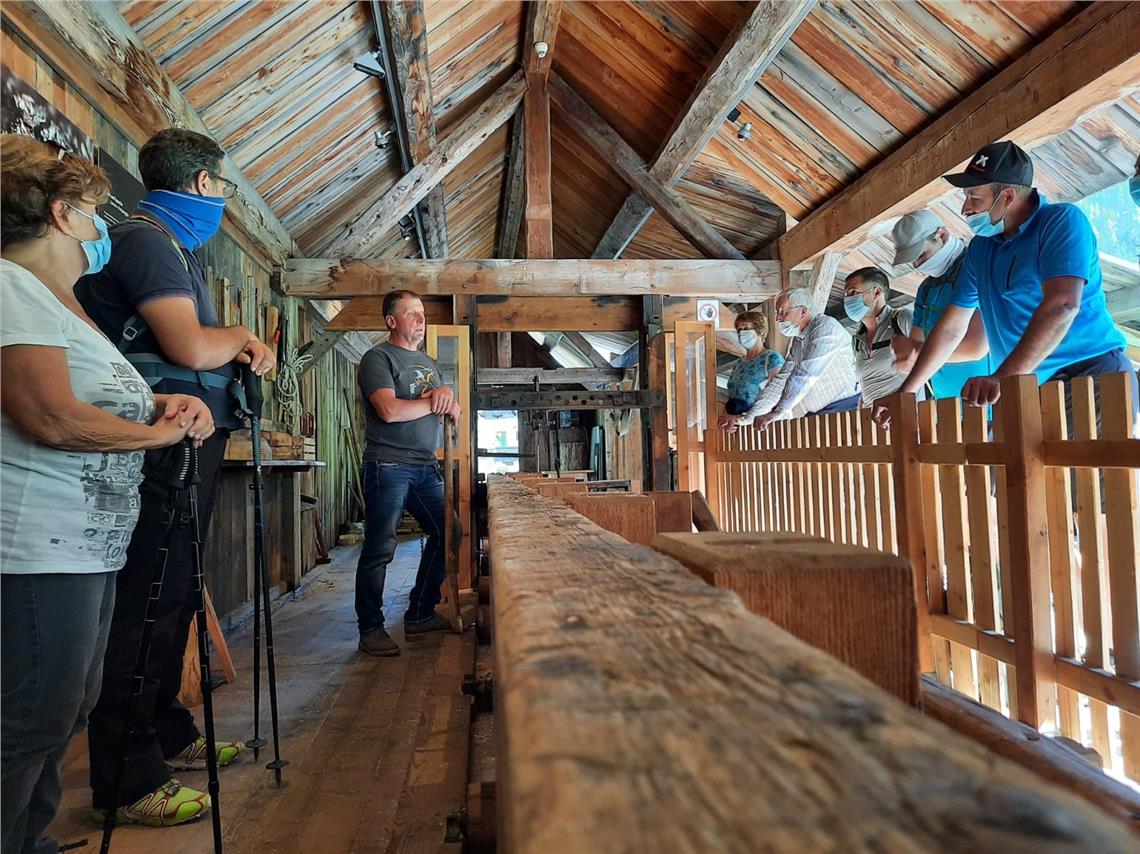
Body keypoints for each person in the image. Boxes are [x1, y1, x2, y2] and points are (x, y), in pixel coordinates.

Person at [0, 134, 214, 854]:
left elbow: (96, 396)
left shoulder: (56, 303)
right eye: (93, 215)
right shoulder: (10, 286)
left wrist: (160, 404)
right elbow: (50, 415)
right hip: (34, 543)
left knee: (61, 712)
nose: (101, 233)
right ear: (60, 215)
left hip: (84, 545)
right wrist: (157, 436)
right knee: (29, 718)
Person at [76, 128, 276, 828]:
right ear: (202, 183)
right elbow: (189, 346)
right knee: (149, 598)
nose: (221, 198)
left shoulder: (168, 246)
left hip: (185, 439)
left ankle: (166, 731)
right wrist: (243, 338)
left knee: (176, 592)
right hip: (164, 441)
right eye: (221, 185)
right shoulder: (148, 241)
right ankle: (126, 777)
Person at [872, 140, 1137, 427]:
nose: (965, 208)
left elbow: (1062, 304)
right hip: (1029, 386)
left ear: (1007, 196)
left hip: (1089, 376)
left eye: (974, 198)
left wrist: (1002, 377)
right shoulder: (980, 249)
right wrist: (906, 392)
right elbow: (951, 329)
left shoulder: (1060, 222)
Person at [355, 290, 461, 657]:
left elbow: (443, 407)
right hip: (388, 464)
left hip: (424, 465)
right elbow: (389, 411)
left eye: (422, 313)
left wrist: (450, 403)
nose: (421, 319)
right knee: (380, 547)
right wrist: (434, 400)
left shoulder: (430, 363)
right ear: (391, 321)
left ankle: (419, 613)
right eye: (411, 313)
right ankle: (370, 628)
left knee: (449, 531)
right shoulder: (377, 358)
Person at [723, 287, 860, 433]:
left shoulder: (825, 328)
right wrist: (747, 418)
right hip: (821, 416)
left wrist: (778, 411)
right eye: (777, 313)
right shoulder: (798, 341)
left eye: (783, 312)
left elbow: (805, 375)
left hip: (846, 411)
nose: (778, 318)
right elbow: (781, 381)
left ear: (803, 311)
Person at [887, 210, 992, 399]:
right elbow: (916, 344)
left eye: (921, 255)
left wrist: (916, 353)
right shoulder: (926, 289)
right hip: (946, 402)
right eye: (912, 261)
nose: (917, 265)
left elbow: (975, 347)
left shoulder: (975, 268)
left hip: (986, 400)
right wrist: (911, 354)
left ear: (942, 235)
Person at [842, 267, 916, 407]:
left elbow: (931, 357)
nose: (847, 300)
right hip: (873, 418)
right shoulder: (858, 340)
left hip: (907, 413)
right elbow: (865, 385)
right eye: (846, 295)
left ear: (876, 292)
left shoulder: (901, 320)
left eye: (853, 292)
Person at [719, 310, 785, 421]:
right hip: (738, 421)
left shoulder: (772, 358)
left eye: (746, 328)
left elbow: (777, 393)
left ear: (760, 331)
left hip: (761, 421)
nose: (742, 333)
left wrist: (746, 417)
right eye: (739, 330)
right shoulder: (739, 364)